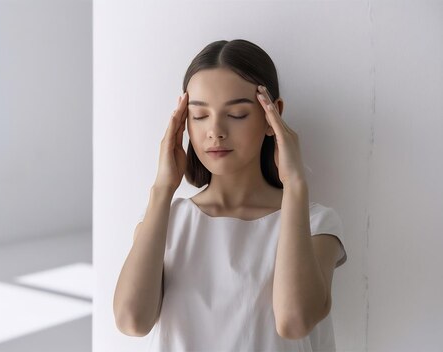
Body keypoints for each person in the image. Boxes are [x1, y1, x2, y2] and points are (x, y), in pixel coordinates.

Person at [113, 39, 347, 352]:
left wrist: (294, 184)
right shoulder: (168, 221)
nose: (216, 131)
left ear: (272, 116)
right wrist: (162, 188)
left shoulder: (316, 224)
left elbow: (293, 321)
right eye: (199, 116)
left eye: (236, 114)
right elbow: (131, 320)